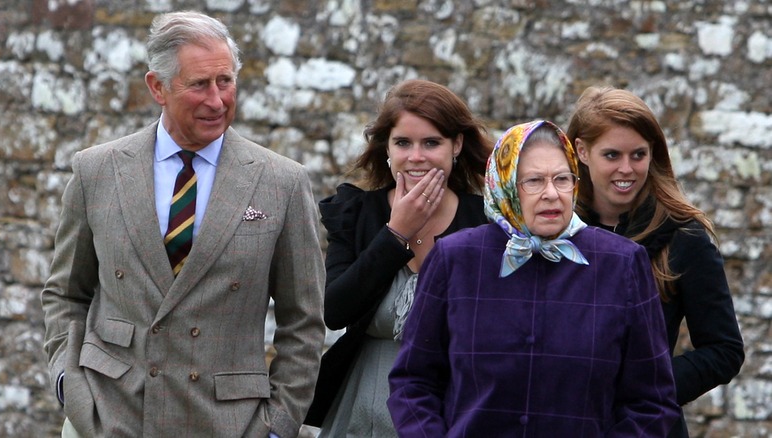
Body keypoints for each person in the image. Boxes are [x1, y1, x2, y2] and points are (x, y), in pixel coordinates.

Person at [40, 11, 325, 438]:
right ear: (157, 86)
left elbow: (303, 321)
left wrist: (278, 426)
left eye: (225, 81)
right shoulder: (96, 171)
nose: (217, 100)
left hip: (229, 424)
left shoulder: (281, 182)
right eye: (199, 84)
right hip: (108, 417)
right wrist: (69, 384)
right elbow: (65, 293)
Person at [388, 120, 681, 436]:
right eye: (534, 181)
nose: (552, 194)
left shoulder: (621, 264)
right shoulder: (455, 258)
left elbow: (652, 401)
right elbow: (412, 382)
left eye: (562, 179)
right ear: (506, 185)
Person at [305, 79, 493, 437]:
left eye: (431, 142)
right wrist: (395, 234)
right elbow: (335, 310)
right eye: (403, 143)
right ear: (387, 148)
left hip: (453, 408)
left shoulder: (485, 221)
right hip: (364, 407)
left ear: (456, 145)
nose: (416, 157)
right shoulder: (356, 212)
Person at [565, 86, 745, 437]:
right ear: (582, 151)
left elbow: (724, 350)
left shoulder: (683, 236)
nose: (627, 169)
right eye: (612, 155)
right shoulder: (553, 230)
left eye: (639, 155)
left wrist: (646, 388)